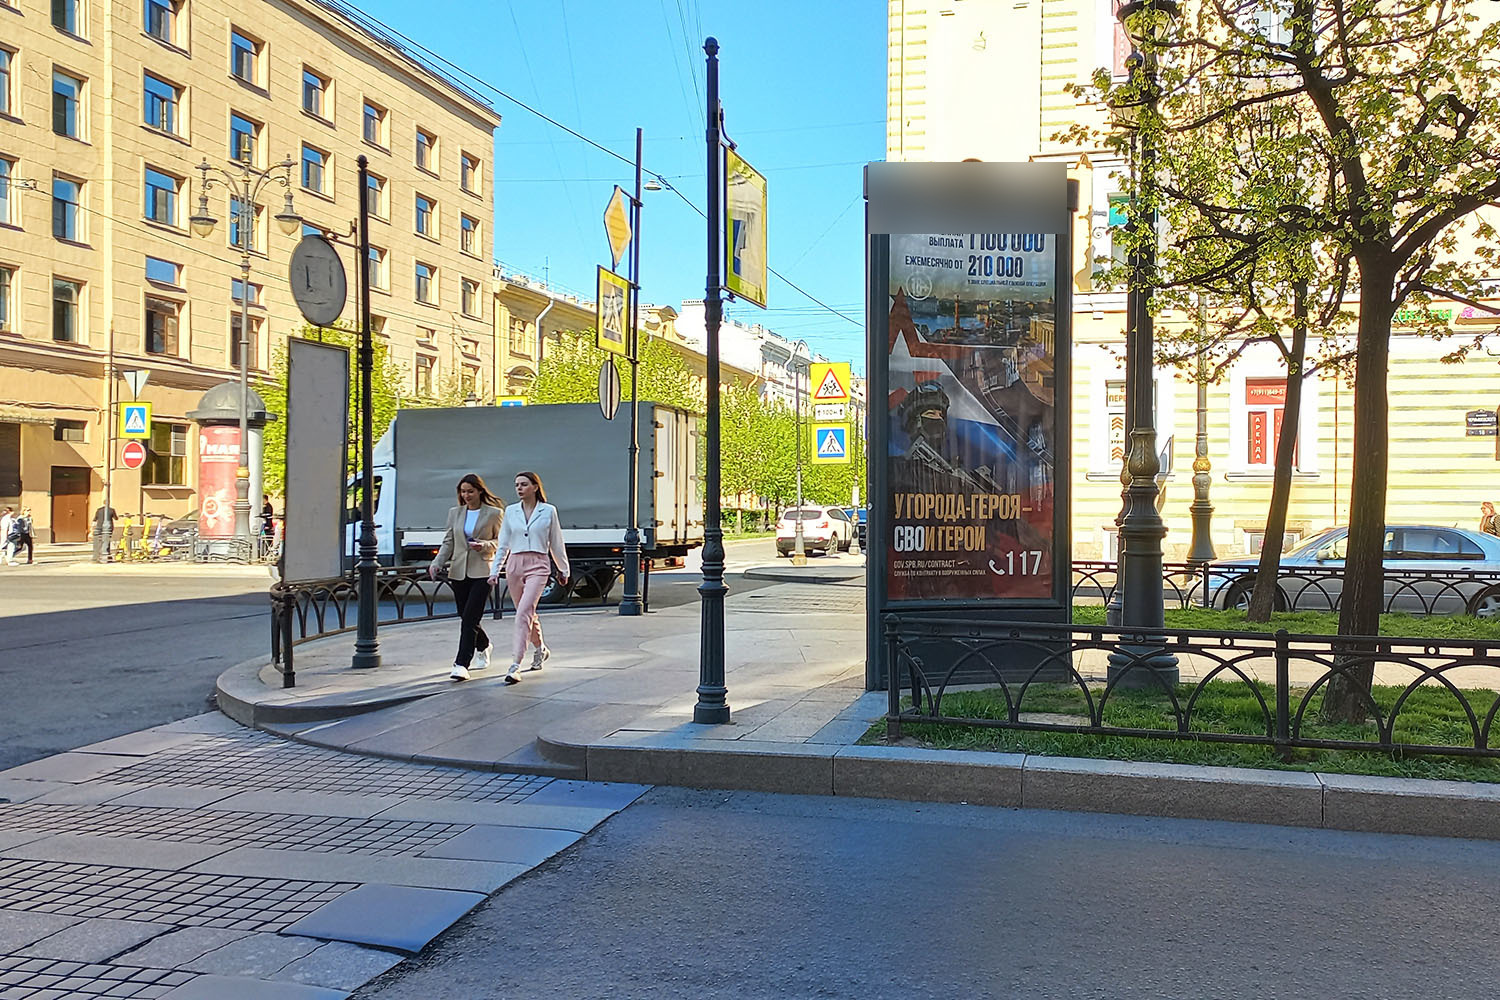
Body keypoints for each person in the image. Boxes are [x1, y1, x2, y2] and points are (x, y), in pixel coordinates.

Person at [488, 471, 569, 684]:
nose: (519, 488)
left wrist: (563, 569)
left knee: (523, 612)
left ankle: (515, 664)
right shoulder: (511, 511)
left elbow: (556, 542)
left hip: (539, 564)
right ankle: (540, 648)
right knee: (526, 613)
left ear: (535, 487)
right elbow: (503, 543)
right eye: (517, 485)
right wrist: (495, 571)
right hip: (515, 564)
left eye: (524, 484)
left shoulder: (548, 511)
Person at [429, 474, 504, 682]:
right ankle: (484, 645)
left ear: (480, 491)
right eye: (463, 492)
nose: (466, 495)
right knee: (465, 615)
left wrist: (484, 545)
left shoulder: (494, 513)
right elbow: (449, 541)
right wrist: (437, 563)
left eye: (470, 491)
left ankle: (461, 664)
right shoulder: (455, 513)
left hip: (483, 571)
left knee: (470, 618)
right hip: (459, 571)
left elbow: (502, 541)